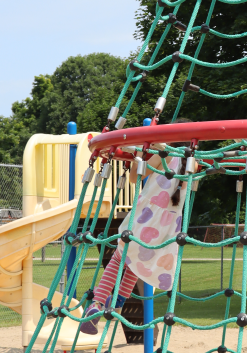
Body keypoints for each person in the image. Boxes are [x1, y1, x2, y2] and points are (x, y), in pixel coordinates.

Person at [81, 138, 189, 334]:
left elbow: (134, 177)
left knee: (120, 256)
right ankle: (119, 303)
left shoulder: (165, 155)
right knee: (138, 262)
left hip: (145, 216)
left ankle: (96, 303)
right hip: (168, 227)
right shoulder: (194, 164)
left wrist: (139, 155)